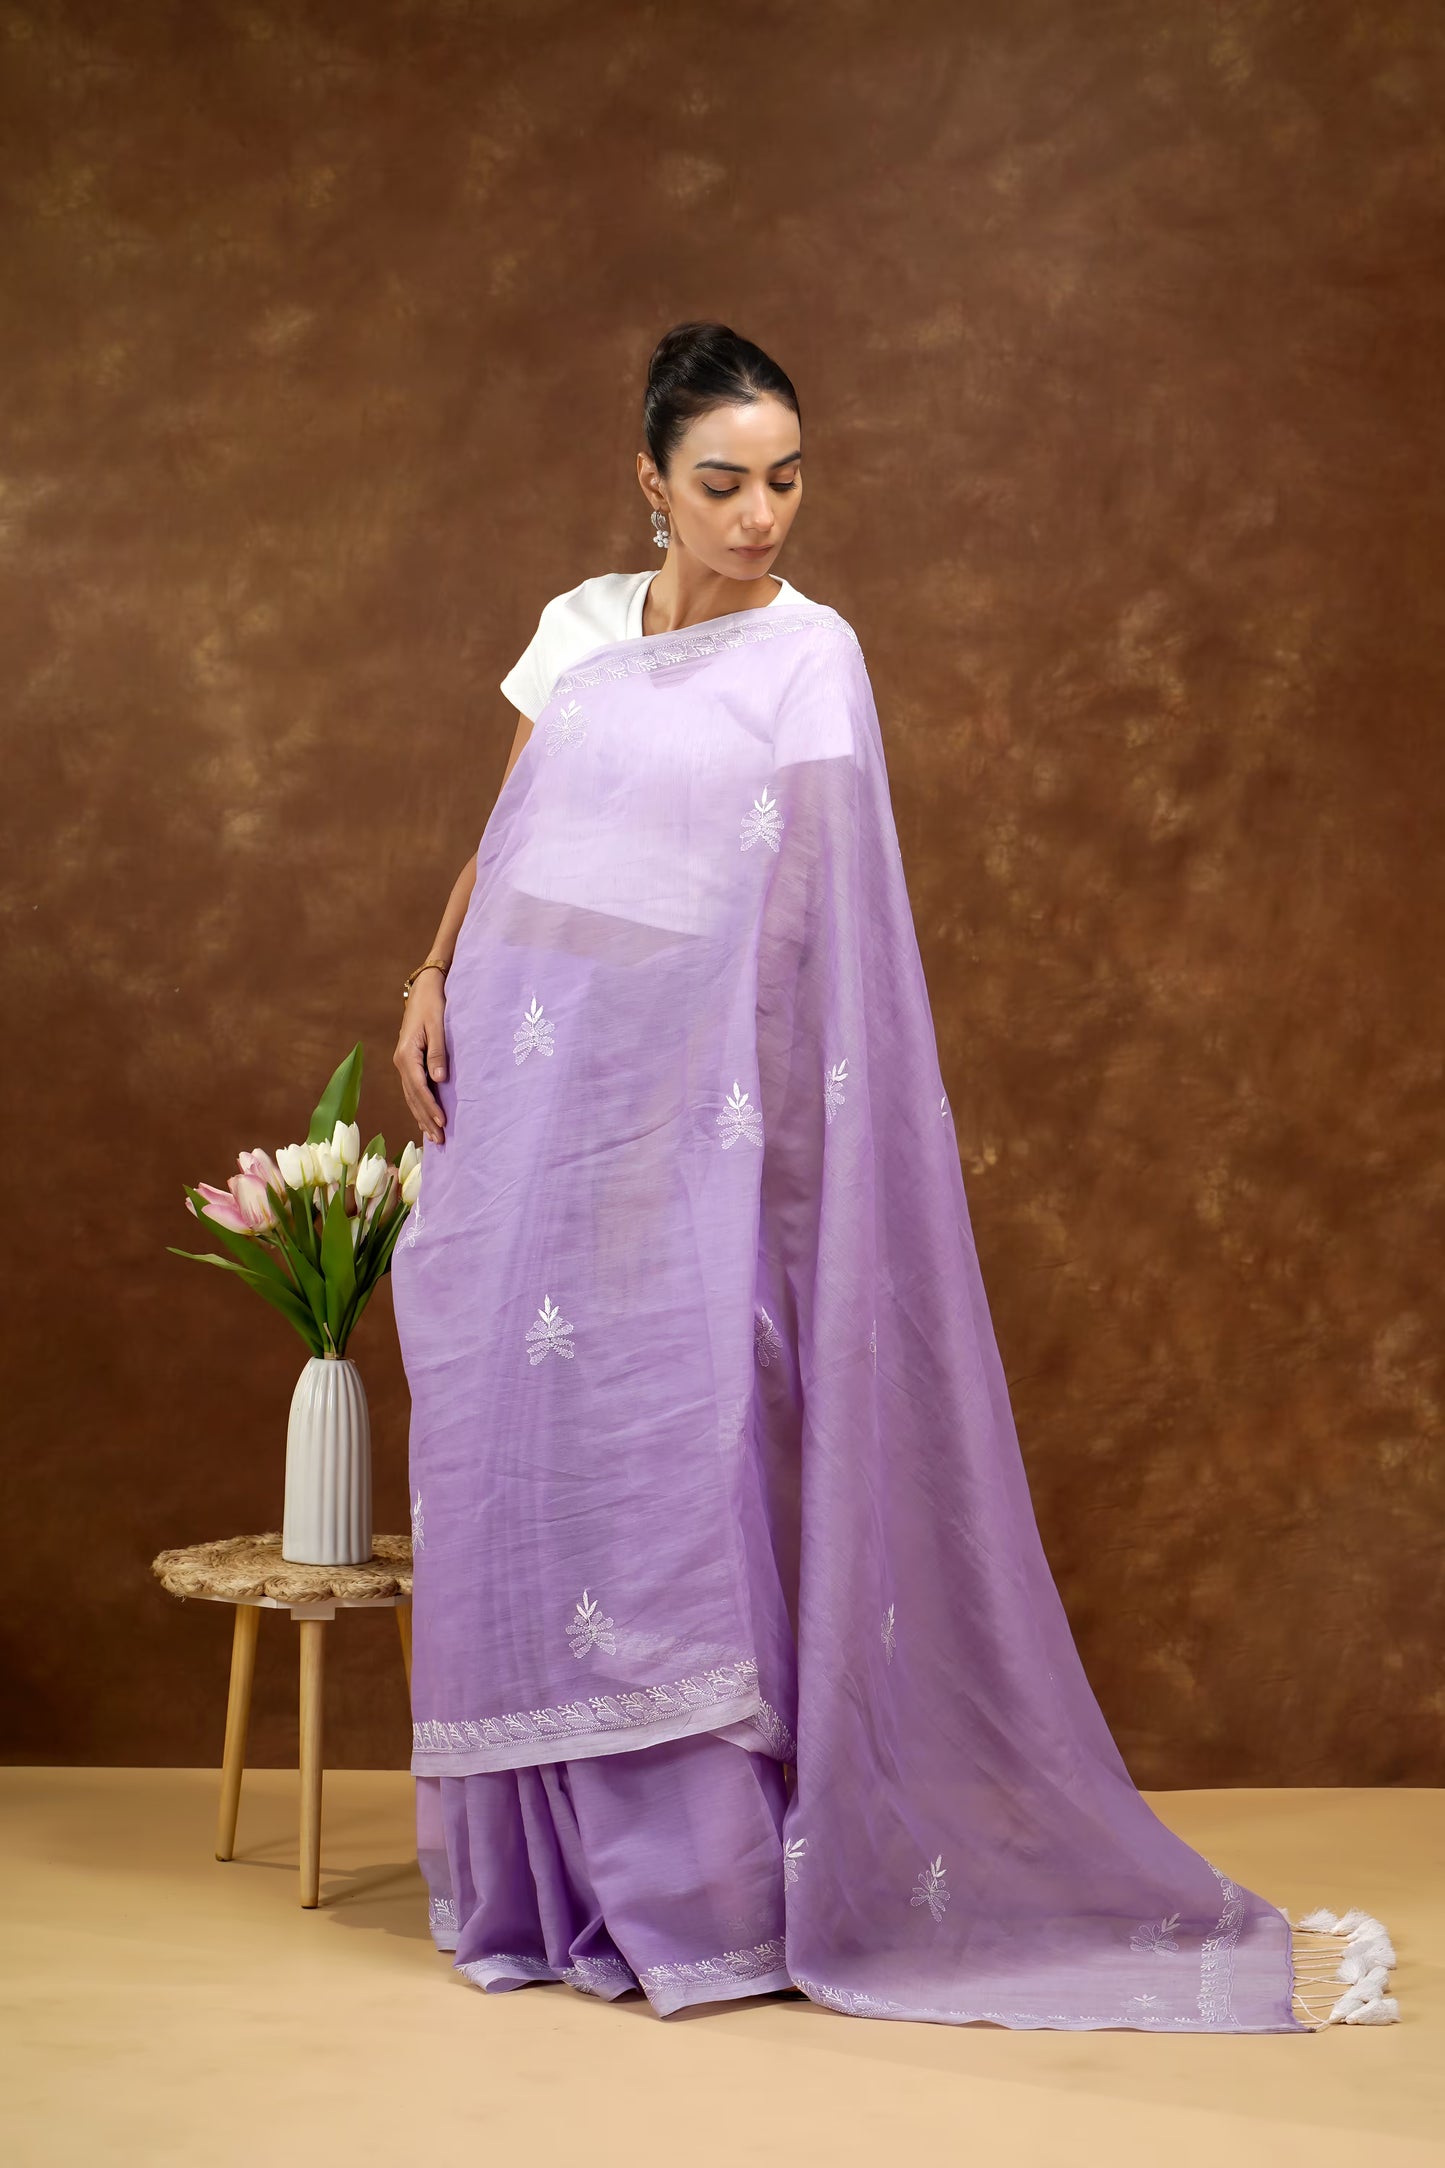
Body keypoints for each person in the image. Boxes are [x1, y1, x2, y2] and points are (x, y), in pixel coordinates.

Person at [388, 322, 1397, 2030]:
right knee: (529, 1437)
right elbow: (513, 835)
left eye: (785, 480)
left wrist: (726, 1099)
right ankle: (541, 1880)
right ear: (650, 484)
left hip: (693, 1101)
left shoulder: (811, 654)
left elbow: (810, 904)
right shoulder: (578, 631)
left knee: (674, 1449)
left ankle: (697, 1881)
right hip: (532, 1078)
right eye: (723, 482)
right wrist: (428, 976)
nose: (760, 515)